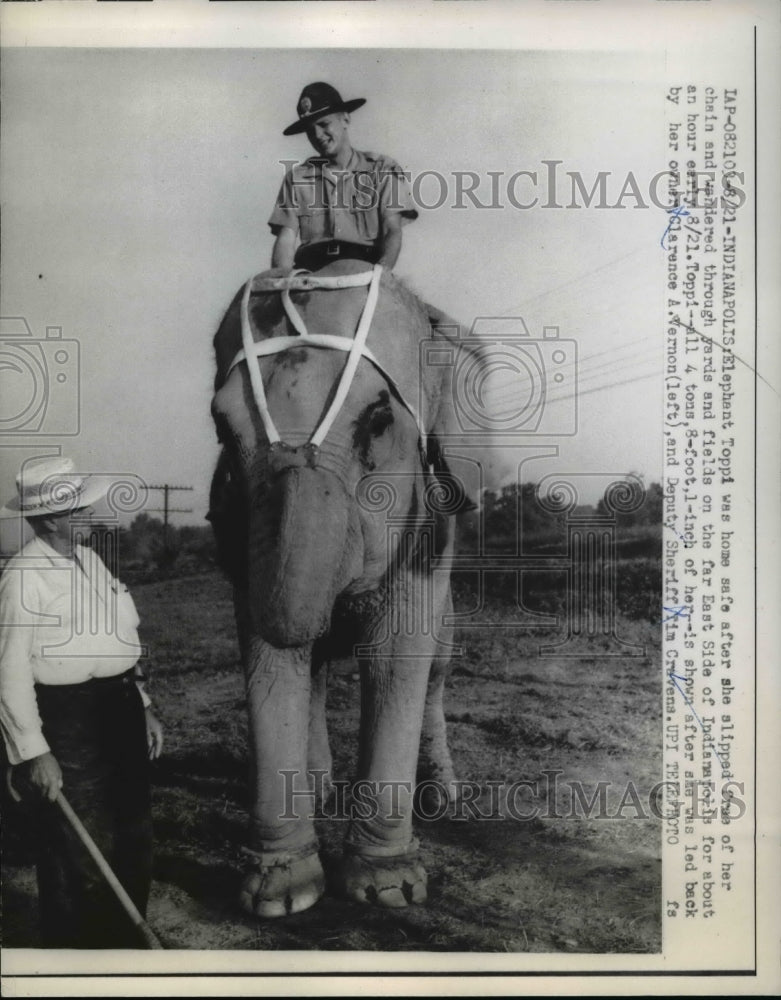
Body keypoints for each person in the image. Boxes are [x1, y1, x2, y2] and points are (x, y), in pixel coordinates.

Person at [0, 456, 163, 948]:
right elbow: (7, 672)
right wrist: (34, 752)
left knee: (136, 837)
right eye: (82, 508)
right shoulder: (23, 577)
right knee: (82, 853)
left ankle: (126, 955)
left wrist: (145, 704)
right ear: (51, 518)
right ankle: (76, 960)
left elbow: (119, 642)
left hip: (120, 712)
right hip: (67, 722)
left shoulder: (90, 560)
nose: (94, 515)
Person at [269, 82, 418, 273]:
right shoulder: (297, 178)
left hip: (363, 273)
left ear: (345, 120)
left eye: (324, 124)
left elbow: (392, 230)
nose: (318, 135)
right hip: (310, 275)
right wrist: (282, 280)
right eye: (310, 130)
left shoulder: (382, 169)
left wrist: (380, 277)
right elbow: (286, 238)